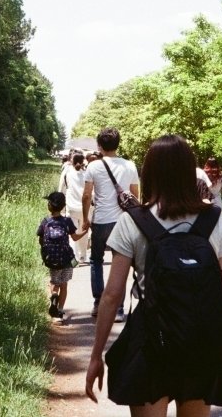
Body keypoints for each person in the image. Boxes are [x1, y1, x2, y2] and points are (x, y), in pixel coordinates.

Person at [85, 134, 222, 416]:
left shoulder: (132, 221)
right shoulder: (213, 220)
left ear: (150, 173)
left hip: (150, 344)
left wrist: (96, 355)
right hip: (201, 343)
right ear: (189, 172)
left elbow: (112, 296)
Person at [83, 127, 140, 321]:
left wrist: (85, 218)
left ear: (99, 145)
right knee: (121, 264)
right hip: (123, 221)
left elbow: (86, 195)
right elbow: (135, 195)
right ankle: (118, 309)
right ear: (118, 144)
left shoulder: (93, 167)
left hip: (100, 220)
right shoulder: (129, 165)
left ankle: (98, 303)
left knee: (96, 260)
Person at [38, 191, 89, 320]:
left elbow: (41, 240)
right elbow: (75, 237)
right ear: (63, 206)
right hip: (66, 259)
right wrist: (85, 231)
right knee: (64, 285)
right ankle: (60, 311)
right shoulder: (67, 221)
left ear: (49, 206)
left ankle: (54, 295)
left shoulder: (45, 221)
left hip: (52, 260)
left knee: (54, 283)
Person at [61, 152, 90, 262]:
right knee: (84, 232)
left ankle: (74, 258)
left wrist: (61, 208)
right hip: (84, 209)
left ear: (71, 161)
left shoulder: (67, 173)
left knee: (72, 234)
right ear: (83, 162)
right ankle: (83, 256)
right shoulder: (87, 174)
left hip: (71, 207)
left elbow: (61, 190)